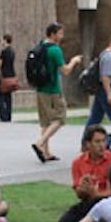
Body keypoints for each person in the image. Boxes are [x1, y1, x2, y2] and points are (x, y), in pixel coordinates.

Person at [53, 125, 111, 222]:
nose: (102, 146)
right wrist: (83, 188)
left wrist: (96, 194)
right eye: (97, 142)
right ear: (88, 144)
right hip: (87, 203)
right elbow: (78, 193)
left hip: (107, 204)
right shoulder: (78, 163)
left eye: (104, 141)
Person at [32, 22, 83, 163]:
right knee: (59, 119)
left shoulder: (41, 46)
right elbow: (65, 70)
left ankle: (46, 153)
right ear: (53, 34)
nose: (62, 36)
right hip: (53, 89)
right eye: (60, 33)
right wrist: (74, 61)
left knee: (45, 122)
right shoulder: (55, 50)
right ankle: (40, 143)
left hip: (41, 88)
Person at [82, 33, 111, 151]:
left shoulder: (107, 55)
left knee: (95, 118)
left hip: (102, 90)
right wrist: (110, 94)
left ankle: (85, 142)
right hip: (105, 90)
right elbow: (105, 77)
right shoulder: (109, 57)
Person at [0, 33, 16, 122]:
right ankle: (8, 115)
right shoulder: (12, 51)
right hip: (11, 75)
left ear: (5, 40)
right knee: (8, 96)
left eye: (2, 39)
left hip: (4, 76)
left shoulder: (3, 52)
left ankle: (3, 115)